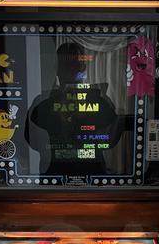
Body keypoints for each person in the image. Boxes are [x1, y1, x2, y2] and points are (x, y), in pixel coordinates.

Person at [24, 42, 122, 177]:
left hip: (83, 173)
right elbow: (32, 140)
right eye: (66, 65)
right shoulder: (42, 102)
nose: (70, 70)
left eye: (74, 65)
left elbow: (110, 139)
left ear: (83, 68)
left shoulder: (42, 101)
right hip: (58, 173)